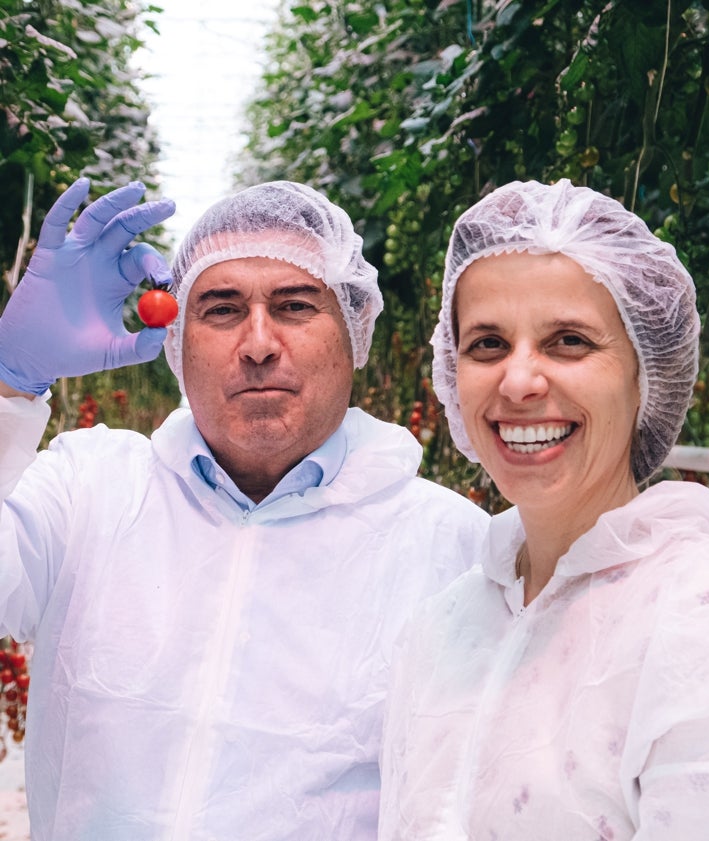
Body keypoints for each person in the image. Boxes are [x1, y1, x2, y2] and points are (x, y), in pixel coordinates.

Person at [0, 177, 488, 840]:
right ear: (176, 341)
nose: (258, 342)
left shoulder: (451, 548)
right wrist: (9, 384)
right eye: (222, 309)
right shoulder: (90, 490)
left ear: (351, 333)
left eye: (293, 305)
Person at [378, 179, 709, 840]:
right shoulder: (441, 627)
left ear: (646, 371)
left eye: (568, 341)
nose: (519, 380)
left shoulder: (689, 612)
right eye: (487, 344)